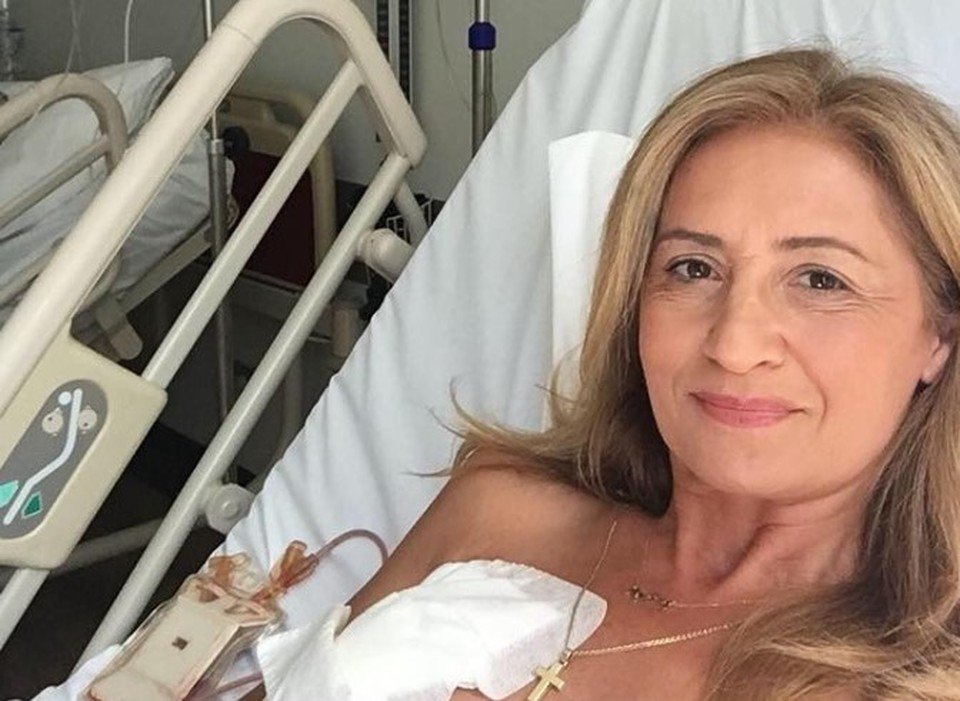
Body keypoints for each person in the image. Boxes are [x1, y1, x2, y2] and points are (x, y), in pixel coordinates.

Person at [244, 47, 960, 701]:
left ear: (939, 337)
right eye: (693, 268)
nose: (735, 345)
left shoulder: (912, 678)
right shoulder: (494, 508)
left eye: (821, 279)